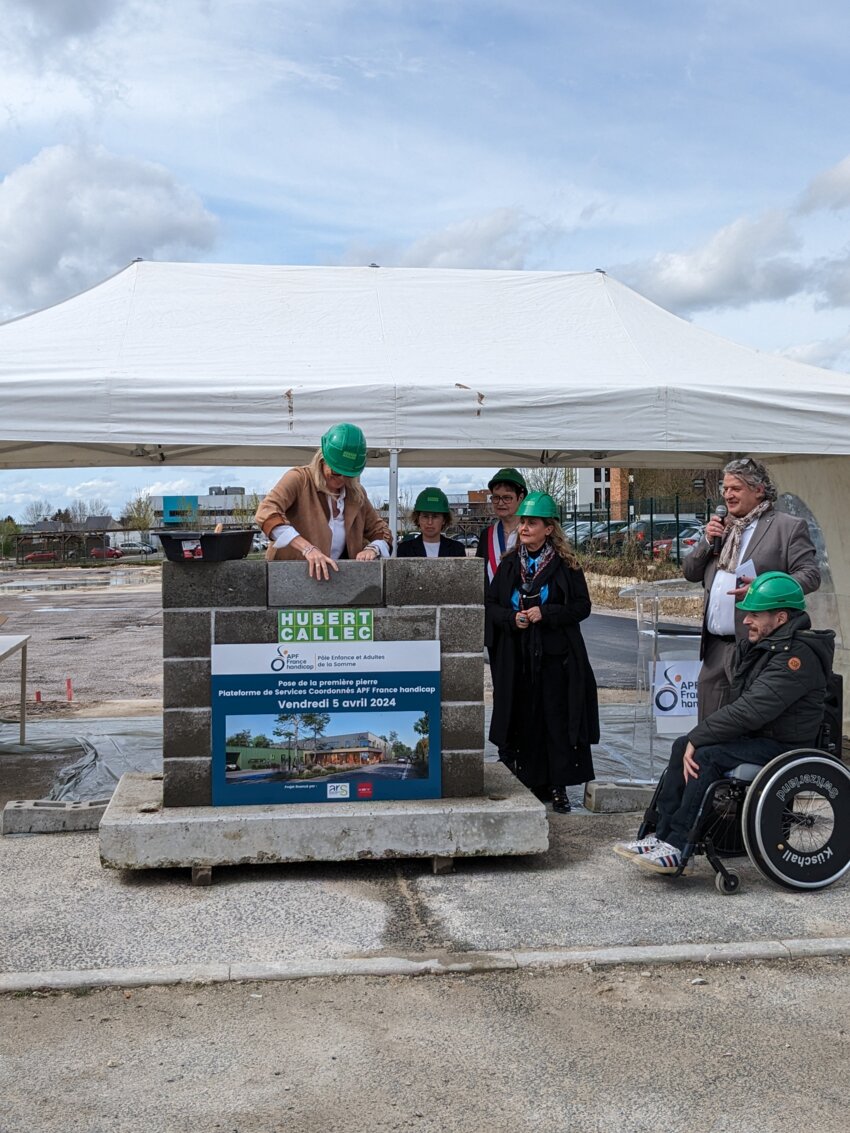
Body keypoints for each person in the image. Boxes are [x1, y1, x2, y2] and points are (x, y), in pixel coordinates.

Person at [614, 571, 834, 875]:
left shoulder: (796, 657)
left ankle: (679, 848)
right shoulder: (769, 647)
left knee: (704, 754)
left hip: (784, 747)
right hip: (759, 737)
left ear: (781, 617)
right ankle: (661, 836)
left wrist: (700, 737)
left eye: (755, 614)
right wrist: (696, 737)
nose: (745, 621)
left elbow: (751, 710)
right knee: (683, 745)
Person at [486, 491, 598, 813]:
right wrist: (513, 618)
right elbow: (491, 605)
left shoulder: (567, 566)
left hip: (556, 660)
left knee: (555, 722)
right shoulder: (509, 565)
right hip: (518, 657)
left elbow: (582, 607)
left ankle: (558, 787)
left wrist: (546, 614)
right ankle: (531, 782)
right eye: (522, 522)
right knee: (526, 720)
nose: (524, 528)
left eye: (531, 522)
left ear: (549, 529)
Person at [683, 456, 820, 719]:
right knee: (708, 729)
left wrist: (765, 590)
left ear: (758, 490)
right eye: (725, 489)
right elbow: (691, 572)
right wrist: (706, 540)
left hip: (757, 646)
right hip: (714, 648)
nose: (728, 495)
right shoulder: (722, 528)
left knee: (746, 726)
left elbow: (811, 575)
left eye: (736, 488)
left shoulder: (787, 527)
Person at [255, 422, 391, 580]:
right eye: (335, 472)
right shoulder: (299, 479)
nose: (341, 479)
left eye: (348, 474)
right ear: (322, 459)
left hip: (338, 583)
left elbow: (383, 533)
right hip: (289, 578)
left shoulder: (357, 494)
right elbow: (266, 513)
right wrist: (307, 548)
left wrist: (373, 549)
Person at [476, 468, 527, 586]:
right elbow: (480, 576)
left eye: (507, 497)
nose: (500, 503)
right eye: (496, 497)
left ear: (520, 498)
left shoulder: (531, 533)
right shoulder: (486, 535)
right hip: (492, 603)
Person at [396, 488, 466, 558]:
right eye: (425, 516)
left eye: (435, 517)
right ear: (418, 518)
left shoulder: (457, 549)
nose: (430, 522)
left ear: (444, 519)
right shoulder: (405, 549)